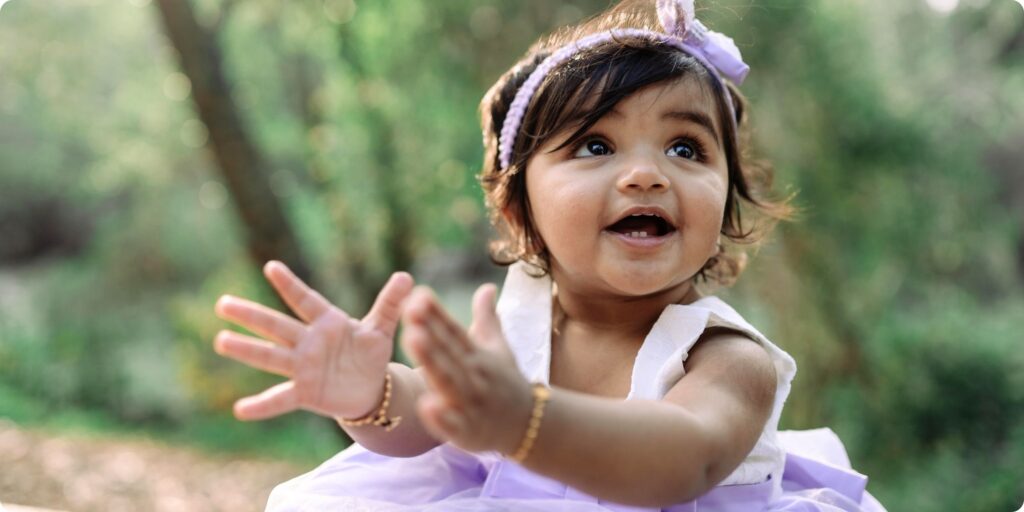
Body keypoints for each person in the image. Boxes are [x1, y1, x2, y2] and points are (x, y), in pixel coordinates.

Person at [213, 0, 886, 510]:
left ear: (728, 202)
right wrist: (372, 395)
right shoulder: (520, 320)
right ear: (518, 207)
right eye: (596, 146)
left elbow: (683, 460)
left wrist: (524, 420)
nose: (647, 174)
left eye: (686, 148)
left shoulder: (727, 357)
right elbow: (432, 416)